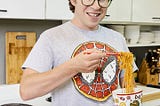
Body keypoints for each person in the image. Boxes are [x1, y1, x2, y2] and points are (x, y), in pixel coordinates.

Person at [20, 0, 137, 105]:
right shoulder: (51, 37)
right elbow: (26, 91)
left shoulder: (117, 38)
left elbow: (128, 85)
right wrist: (73, 67)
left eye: (102, 0)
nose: (96, 6)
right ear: (73, 1)